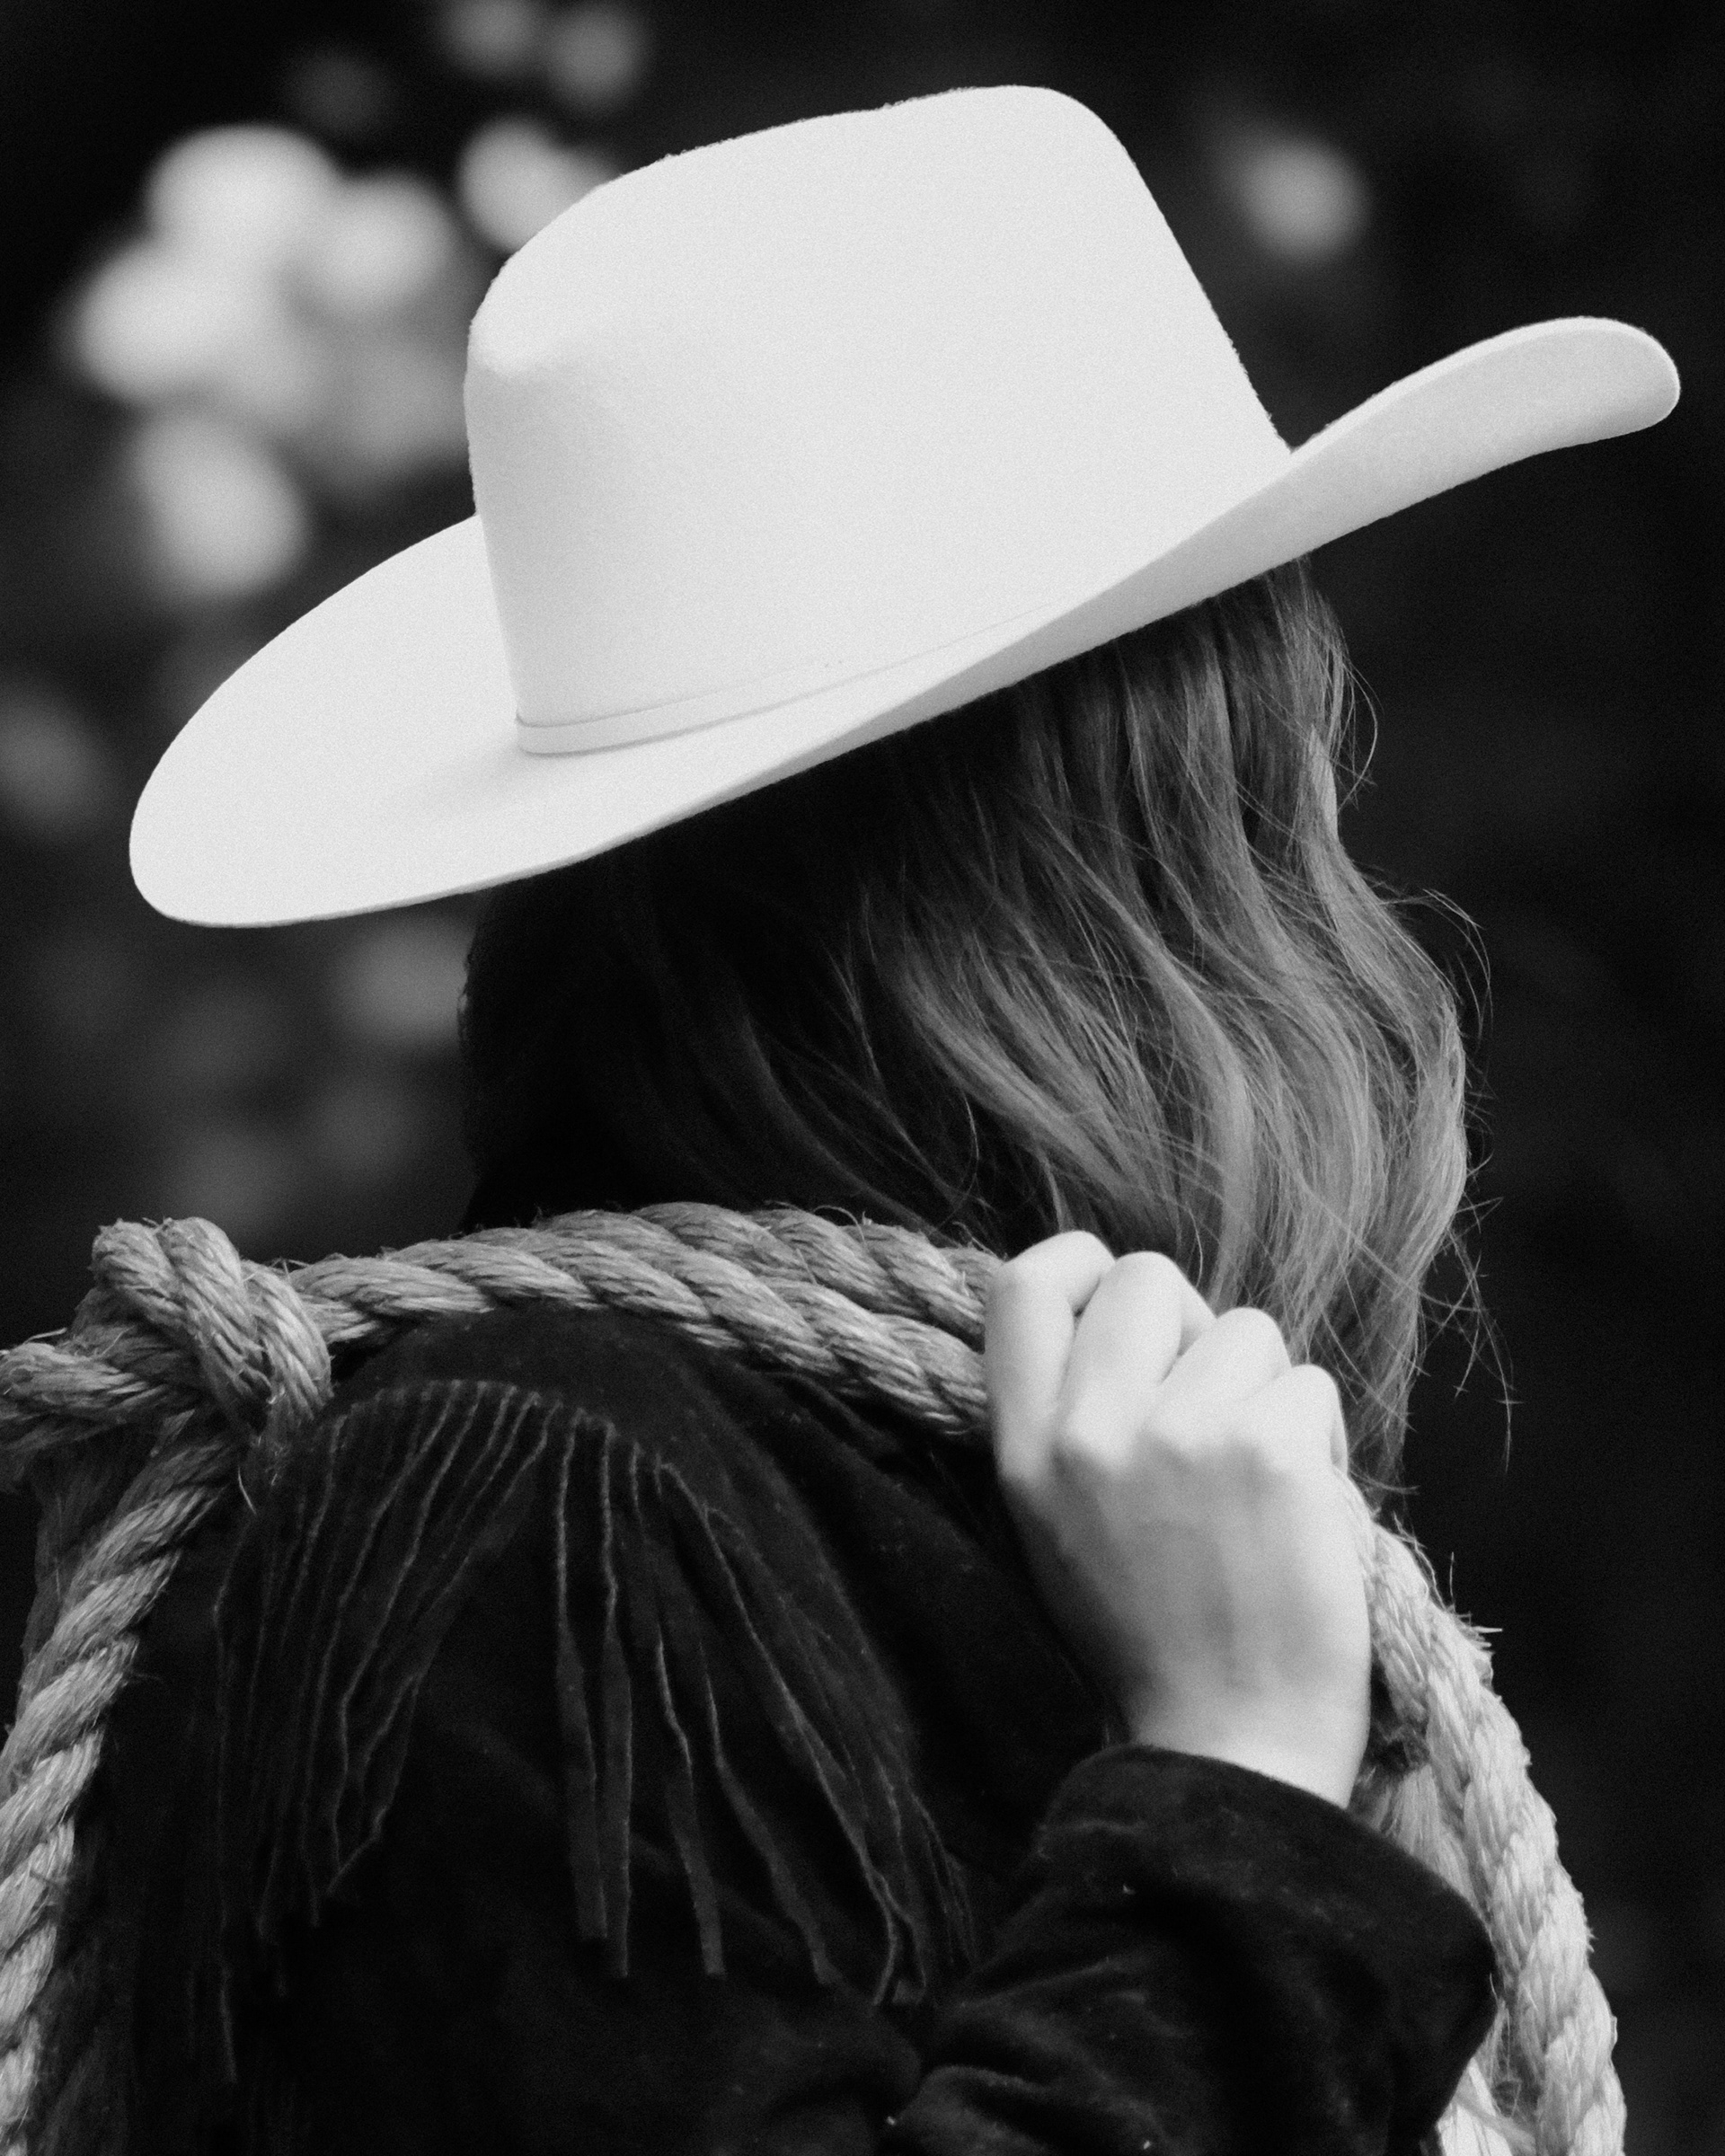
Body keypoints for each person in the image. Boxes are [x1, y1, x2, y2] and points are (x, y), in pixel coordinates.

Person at [100, 84, 1676, 2155]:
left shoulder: (905, 1507)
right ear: (1155, 847)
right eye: (1291, 783)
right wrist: (1233, 1789)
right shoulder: (546, 1503)